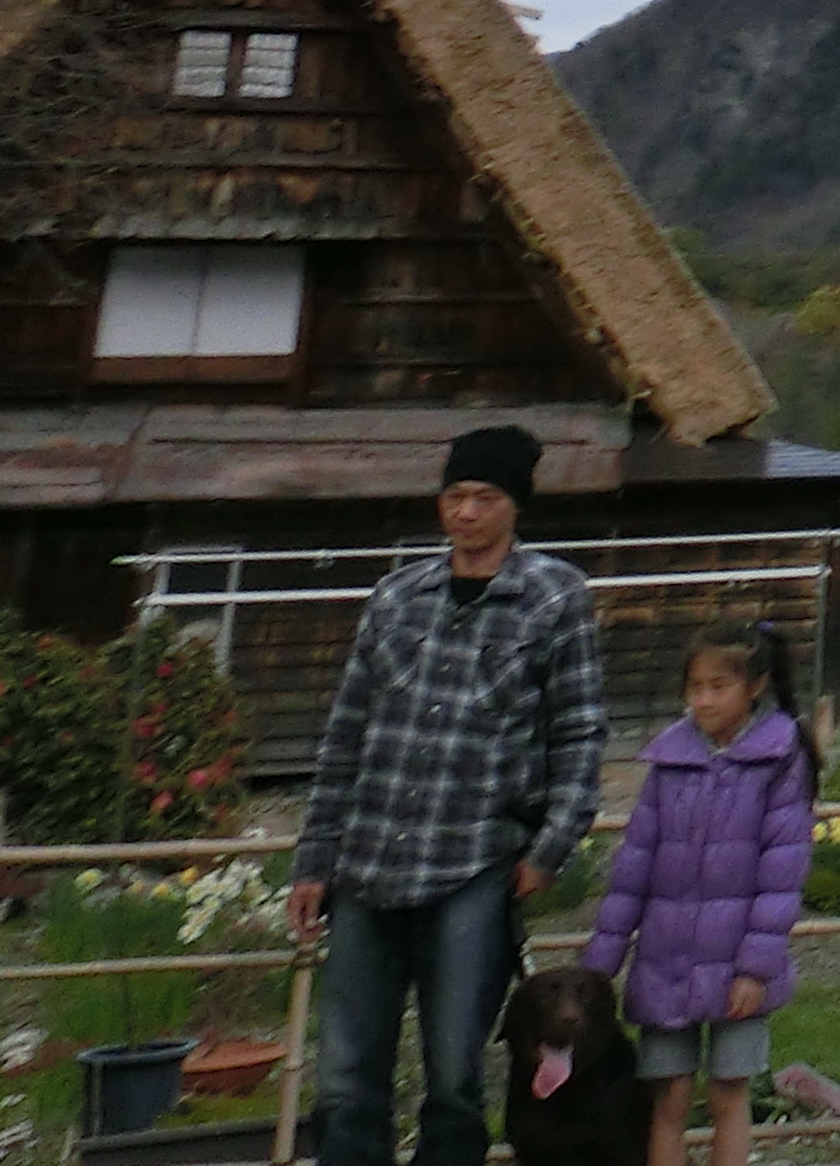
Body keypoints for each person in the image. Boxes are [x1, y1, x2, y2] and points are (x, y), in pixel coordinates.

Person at [291, 426, 608, 1166]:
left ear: (514, 507)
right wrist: (314, 860)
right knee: (345, 1076)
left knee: (455, 1075)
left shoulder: (555, 598)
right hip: (368, 863)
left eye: (484, 498)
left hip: (475, 864)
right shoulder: (397, 597)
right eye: (454, 496)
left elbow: (581, 731)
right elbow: (345, 735)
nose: (464, 512)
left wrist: (552, 846)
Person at [581, 623, 817, 1166]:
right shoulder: (670, 761)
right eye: (695, 687)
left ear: (754, 686)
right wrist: (600, 968)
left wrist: (755, 969)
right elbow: (633, 866)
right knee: (668, 1097)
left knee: (727, 1094)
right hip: (664, 962)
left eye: (718, 686)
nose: (703, 700)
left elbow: (782, 876)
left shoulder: (781, 759)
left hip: (739, 968)